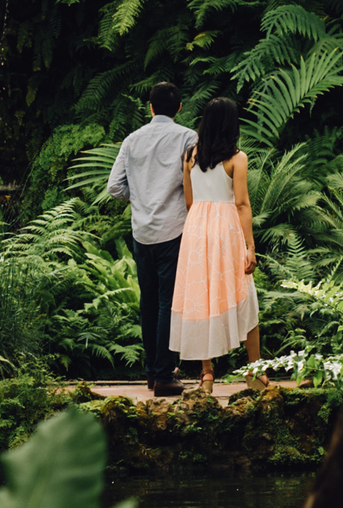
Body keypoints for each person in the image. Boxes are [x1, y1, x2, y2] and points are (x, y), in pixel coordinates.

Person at [104, 81, 196, 397]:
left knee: (149, 302)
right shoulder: (187, 137)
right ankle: (164, 375)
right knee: (169, 303)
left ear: (150, 107)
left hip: (142, 232)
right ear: (179, 108)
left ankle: (151, 373)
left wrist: (141, 199)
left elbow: (114, 187)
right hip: (174, 229)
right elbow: (194, 179)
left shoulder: (132, 140)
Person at [172, 95, 263, 393]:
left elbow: (189, 200)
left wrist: (201, 221)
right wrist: (250, 246)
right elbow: (241, 203)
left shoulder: (189, 156)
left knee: (201, 298)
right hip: (226, 230)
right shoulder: (237, 158)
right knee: (245, 296)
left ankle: (207, 374)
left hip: (196, 229)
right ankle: (254, 371)